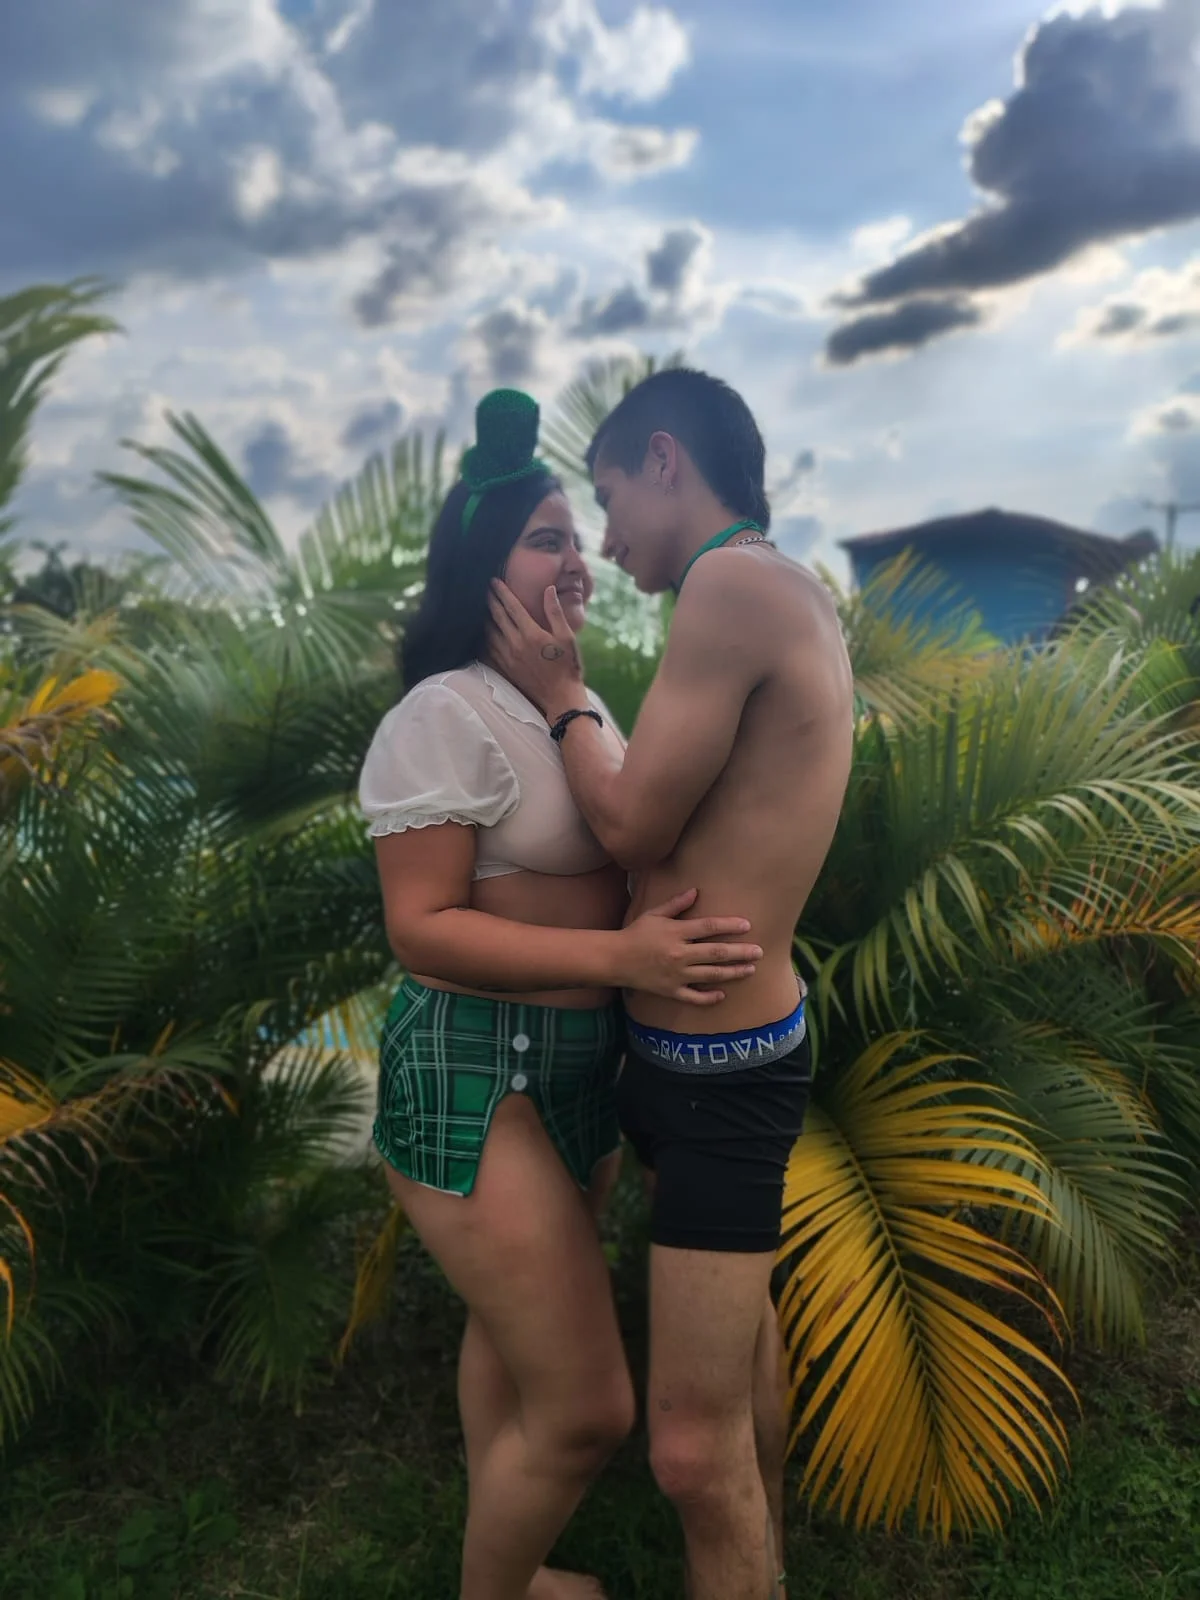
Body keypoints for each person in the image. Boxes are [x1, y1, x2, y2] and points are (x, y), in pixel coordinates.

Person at [358, 388, 764, 1600]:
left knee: (512, 1333)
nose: (577, 557)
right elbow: (421, 929)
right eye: (547, 538)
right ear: (483, 564)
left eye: (577, 536)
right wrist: (624, 961)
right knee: (588, 1406)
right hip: (475, 1067)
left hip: (576, 1073)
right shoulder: (441, 714)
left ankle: (522, 1563)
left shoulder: (566, 705)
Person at [487, 368, 855, 1600]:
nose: (603, 541)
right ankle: (767, 1558)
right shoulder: (774, 589)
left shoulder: (732, 586)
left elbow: (637, 824)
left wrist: (561, 697)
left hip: (718, 1073)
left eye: (605, 502)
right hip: (698, 1057)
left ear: (662, 459)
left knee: (692, 1455)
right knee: (738, 1365)